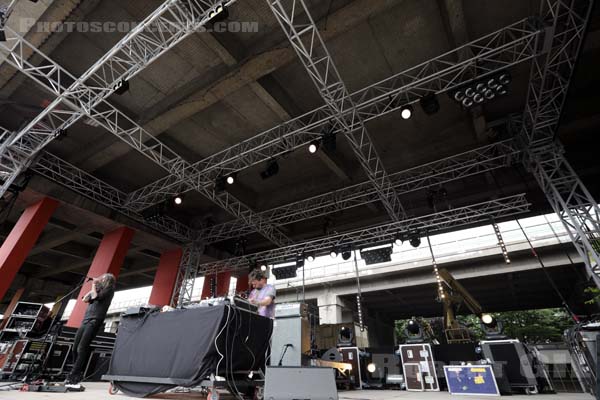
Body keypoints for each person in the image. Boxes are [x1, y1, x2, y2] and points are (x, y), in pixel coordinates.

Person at [65, 273, 116, 389]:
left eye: (102, 278)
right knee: (75, 347)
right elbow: (85, 299)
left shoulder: (109, 290)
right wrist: (94, 286)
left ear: (107, 280)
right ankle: (76, 371)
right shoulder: (98, 290)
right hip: (85, 320)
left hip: (94, 320)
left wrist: (93, 284)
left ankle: (74, 374)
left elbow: (94, 297)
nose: (100, 279)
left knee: (82, 347)